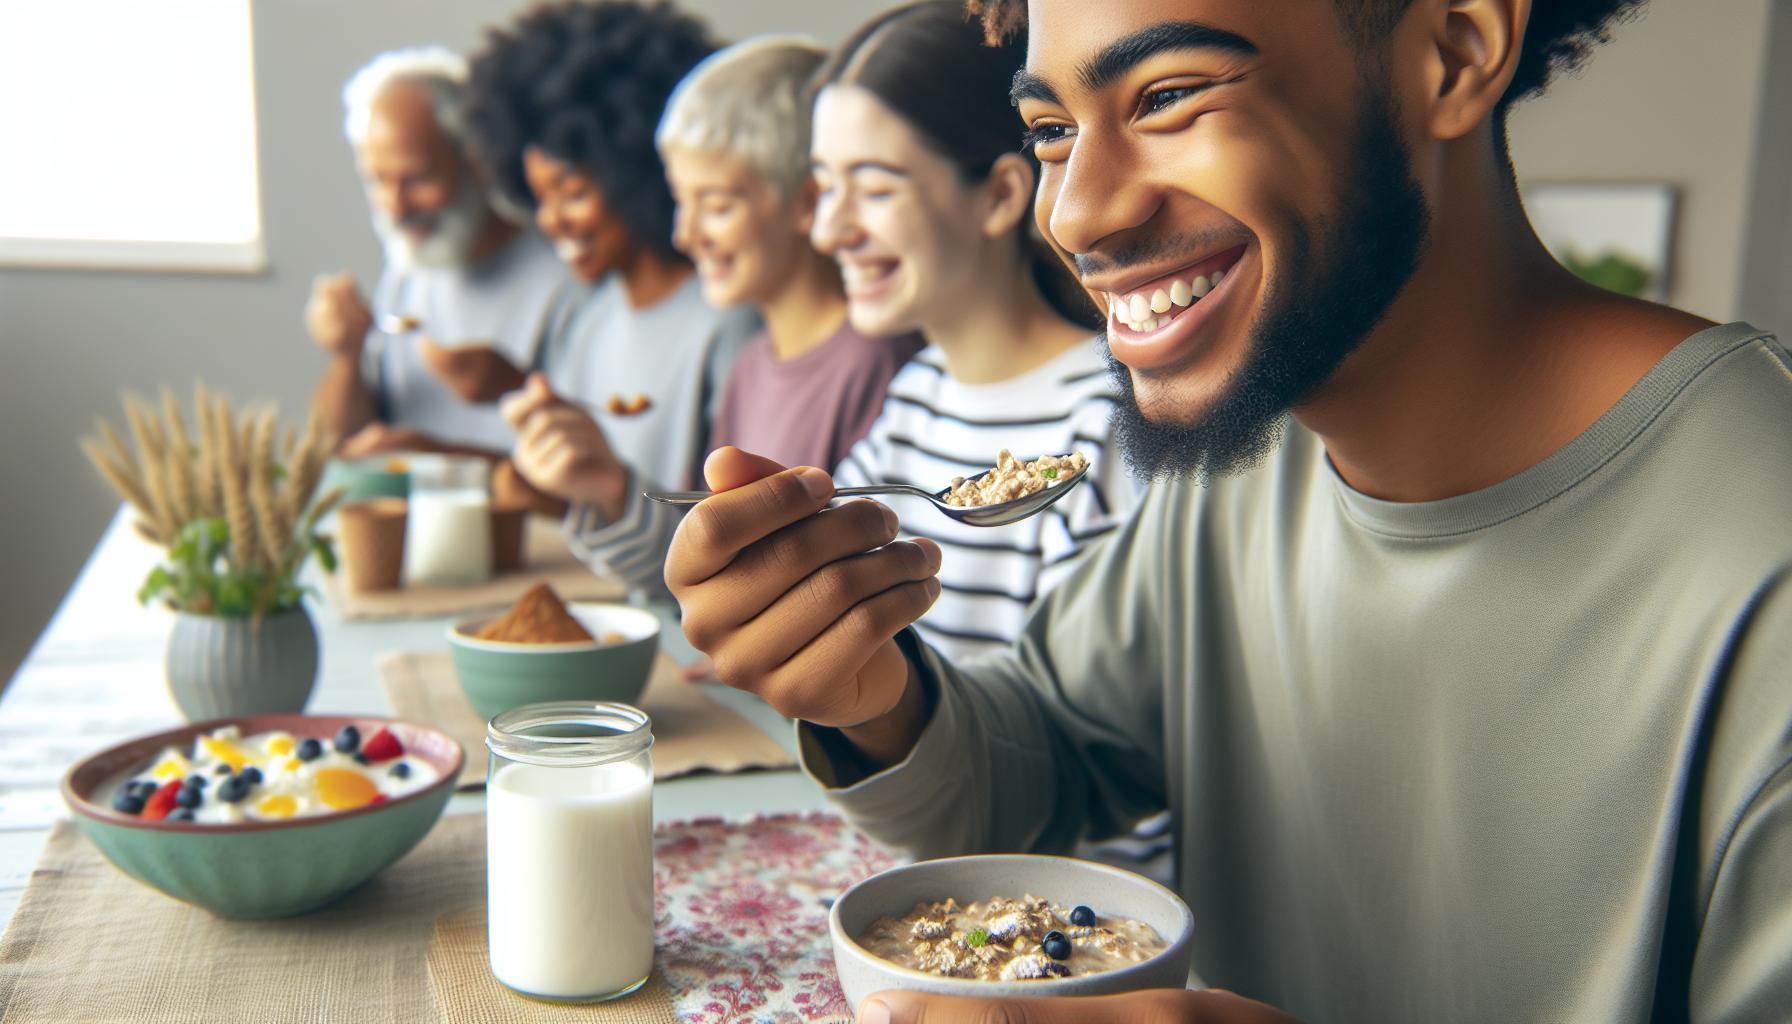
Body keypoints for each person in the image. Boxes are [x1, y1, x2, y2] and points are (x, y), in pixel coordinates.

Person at [665, 0, 1792, 1021]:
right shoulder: (1244, 460)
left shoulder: (1759, 563)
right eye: (1052, 130)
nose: (1076, 213)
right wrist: (874, 694)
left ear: (1453, 54)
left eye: (1165, 97)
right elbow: (1044, 765)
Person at [803, 2, 1140, 661]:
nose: (827, 231)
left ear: (999, 197)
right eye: (822, 187)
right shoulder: (917, 394)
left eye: (874, 190)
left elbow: (1078, 715)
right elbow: (828, 603)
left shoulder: (1102, 424)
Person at [463, 0, 758, 596]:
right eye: (538, 196)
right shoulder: (583, 313)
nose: (552, 222)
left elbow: (730, 554)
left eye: (572, 193)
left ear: (639, 173)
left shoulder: (728, 324)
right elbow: (581, 500)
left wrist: (607, 489)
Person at [307, 47, 567, 460]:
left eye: (417, 179)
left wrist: (435, 457)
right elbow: (335, 446)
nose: (396, 205)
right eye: (377, 180)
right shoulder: (409, 267)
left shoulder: (562, 278)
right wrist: (346, 355)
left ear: (478, 161)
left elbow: (588, 473)